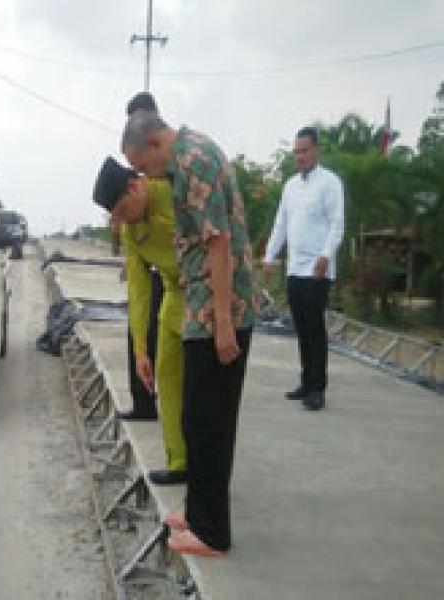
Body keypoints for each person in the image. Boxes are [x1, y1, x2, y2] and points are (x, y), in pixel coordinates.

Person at [121, 110, 255, 557]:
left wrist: (222, 322)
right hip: (197, 307)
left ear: (156, 146)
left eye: (142, 167)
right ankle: (198, 515)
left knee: (210, 421)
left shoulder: (194, 161)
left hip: (218, 308)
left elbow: (219, 243)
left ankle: (212, 533)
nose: (145, 177)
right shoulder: (183, 160)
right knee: (197, 418)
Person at [93, 156, 187, 485]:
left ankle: (205, 464)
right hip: (176, 296)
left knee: (201, 387)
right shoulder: (133, 234)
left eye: (120, 211)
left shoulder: (173, 193)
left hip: (207, 292)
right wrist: (140, 350)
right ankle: (179, 462)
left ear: (136, 186)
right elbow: (139, 293)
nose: (119, 223)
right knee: (165, 373)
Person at [263, 127, 344, 411]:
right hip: (295, 268)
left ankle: (317, 388)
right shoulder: (290, 186)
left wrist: (326, 254)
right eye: (296, 151)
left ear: (316, 151)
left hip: (317, 269)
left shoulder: (330, 183)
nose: (300, 156)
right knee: (300, 326)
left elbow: (337, 223)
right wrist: (270, 256)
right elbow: (281, 224)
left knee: (314, 328)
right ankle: (305, 381)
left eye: (305, 150)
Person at [120, 91, 165, 422]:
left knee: (165, 342)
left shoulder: (170, 166)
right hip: (149, 265)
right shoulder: (142, 165)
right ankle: (144, 403)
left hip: (177, 273)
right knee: (138, 334)